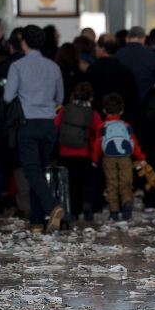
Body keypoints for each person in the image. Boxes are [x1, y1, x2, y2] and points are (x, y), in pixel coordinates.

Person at [4, 24, 65, 234]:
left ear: (24, 42)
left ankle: (52, 206)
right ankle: (37, 222)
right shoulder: (53, 67)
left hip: (27, 124)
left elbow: (7, 96)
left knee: (31, 172)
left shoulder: (18, 66)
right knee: (38, 171)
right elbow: (60, 98)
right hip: (49, 124)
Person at [116, 26, 155, 211]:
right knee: (148, 156)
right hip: (147, 115)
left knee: (121, 157)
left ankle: (123, 198)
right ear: (143, 39)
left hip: (122, 116)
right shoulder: (153, 58)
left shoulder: (118, 55)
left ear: (128, 38)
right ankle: (150, 198)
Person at [92, 92, 146, 222]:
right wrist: (141, 157)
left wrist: (94, 159)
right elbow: (134, 143)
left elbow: (97, 144)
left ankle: (114, 211)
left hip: (108, 158)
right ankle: (127, 202)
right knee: (126, 182)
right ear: (122, 111)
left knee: (111, 184)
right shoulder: (126, 126)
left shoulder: (102, 126)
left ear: (104, 110)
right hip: (125, 157)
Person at [55, 81, 104, 221]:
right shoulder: (92, 114)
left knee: (71, 184)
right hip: (83, 153)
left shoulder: (65, 110)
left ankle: (73, 211)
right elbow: (100, 132)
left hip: (65, 152)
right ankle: (87, 203)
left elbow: (55, 125)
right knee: (86, 181)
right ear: (91, 97)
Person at [87, 36, 139, 116]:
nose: (95, 49)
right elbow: (132, 99)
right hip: (120, 116)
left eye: (97, 46)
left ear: (103, 49)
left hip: (96, 116)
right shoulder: (125, 71)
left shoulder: (92, 69)